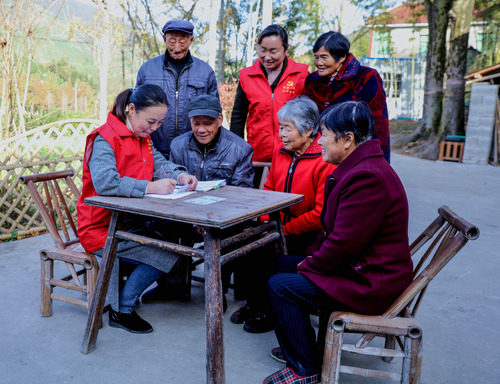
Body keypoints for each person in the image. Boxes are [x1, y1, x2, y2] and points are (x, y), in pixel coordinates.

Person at [263, 101, 413, 384]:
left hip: (371, 282)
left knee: (280, 286)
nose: (318, 141)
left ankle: (305, 369)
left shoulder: (368, 177)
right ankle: (305, 348)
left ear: (347, 140)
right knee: (282, 263)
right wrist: (309, 261)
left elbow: (343, 244)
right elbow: (338, 237)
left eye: (324, 134)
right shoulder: (361, 167)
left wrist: (310, 265)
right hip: (360, 268)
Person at [77, 84, 198, 334]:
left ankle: (123, 299)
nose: (154, 128)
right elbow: (105, 182)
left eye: (159, 123)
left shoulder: (142, 137)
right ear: (131, 110)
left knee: (175, 242)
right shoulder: (105, 138)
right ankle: (123, 309)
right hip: (100, 229)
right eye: (151, 121)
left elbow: (159, 163)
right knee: (167, 253)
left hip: (128, 223)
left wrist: (181, 175)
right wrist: (150, 188)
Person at [230, 96, 336, 334]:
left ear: (309, 130)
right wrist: (266, 221)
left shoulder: (325, 159)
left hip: (308, 233)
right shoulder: (282, 152)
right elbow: (269, 190)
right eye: (281, 128)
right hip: (279, 225)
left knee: (269, 255)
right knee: (247, 244)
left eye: (287, 129)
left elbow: (320, 213)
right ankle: (254, 303)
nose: (282, 135)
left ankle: (269, 311)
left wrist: (283, 231)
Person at [140, 94, 255, 305]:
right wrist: (194, 218)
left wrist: (208, 219)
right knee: (164, 226)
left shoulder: (240, 148)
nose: (201, 129)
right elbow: (173, 185)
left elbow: (241, 194)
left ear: (220, 120)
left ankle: (216, 292)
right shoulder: (178, 145)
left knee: (229, 232)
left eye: (208, 123)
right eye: (196, 123)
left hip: (223, 216)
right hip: (184, 212)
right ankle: (173, 287)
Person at [230, 24, 308, 173]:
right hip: (257, 155)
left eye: (273, 51)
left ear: (286, 49)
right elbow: (238, 115)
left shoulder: (301, 75)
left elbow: (311, 115)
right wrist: (237, 150)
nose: (267, 57)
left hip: (293, 154)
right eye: (262, 50)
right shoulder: (247, 76)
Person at [136, 19, 219, 159]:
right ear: (164, 39)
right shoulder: (147, 70)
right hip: (153, 150)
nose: (177, 48)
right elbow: (137, 110)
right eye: (172, 41)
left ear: (191, 40)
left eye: (183, 42)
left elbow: (214, 112)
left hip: (193, 152)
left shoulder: (206, 72)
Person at [304, 31, 391, 162]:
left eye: (324, 57)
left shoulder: (366, 77)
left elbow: (378, 123)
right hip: (319, 154)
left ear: (342, 57)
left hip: (354, 154)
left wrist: (376, 159)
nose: (319, 63)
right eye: (316, 57)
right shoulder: (312, 81)